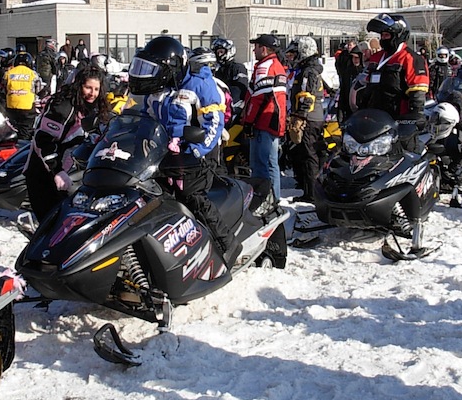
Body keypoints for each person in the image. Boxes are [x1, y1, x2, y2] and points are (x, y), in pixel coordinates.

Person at [130, 36, 238, 263]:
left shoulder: (200, 84)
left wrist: (196, 151)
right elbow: (145, 118)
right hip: (163, 155)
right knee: (149, 197)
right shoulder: (157, 88)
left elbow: (213, 124)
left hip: (198, 154)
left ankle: (227, 247)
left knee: (191, 196)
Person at [23, 64, 110, 222]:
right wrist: (57, 171)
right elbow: (42, 140)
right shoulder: (63, 107)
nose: (93, 93)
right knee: (51, 223)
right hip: (44, 173)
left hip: (69, 172)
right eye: (88, 87)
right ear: (78, 85)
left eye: (96, 89)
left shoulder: (93, 107)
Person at [350, 13, 429, 149]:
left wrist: (414, 118)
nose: (382, 39)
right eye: (381, 36)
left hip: (398, 122)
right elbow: (365, 85)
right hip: (374, 120)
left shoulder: (411, 58)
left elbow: (417, 93)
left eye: (386, 35)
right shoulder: (376, 58)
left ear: (398, 35)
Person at [241, 34, 288, 201]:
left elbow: (258, 98)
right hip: (271, 122)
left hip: (264, 123)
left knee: (262, 166)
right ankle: (271, 199)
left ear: (264, 48)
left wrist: (248, 121)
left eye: (256, 46)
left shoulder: (266, 66)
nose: (254, 50)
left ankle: (267, 201)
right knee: (268, 164)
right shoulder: (275, 65)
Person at [285, 36, 324, 204]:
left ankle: (311, 193)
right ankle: (306, 187)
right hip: (309, 117)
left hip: (309, 119)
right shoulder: (307, 69)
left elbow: (307, 96)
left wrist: (300, 117)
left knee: (309, 155)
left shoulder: (309, 71)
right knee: (303, 154)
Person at [4, 49, 38, 139]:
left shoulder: (8, 73)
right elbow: (39, 87)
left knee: (12, 129)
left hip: (11, 106)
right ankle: (23, 147)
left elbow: (2, 88)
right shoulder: (32, 74)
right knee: (26, 130)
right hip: (27, 107)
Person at [336, 45, 364, 122]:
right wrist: (340, 115)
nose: (355, 60)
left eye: (357, 57)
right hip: (348, 111)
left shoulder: (365, 73)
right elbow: (343, 94)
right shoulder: (347, 73)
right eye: (353, 57)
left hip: (362, 111)